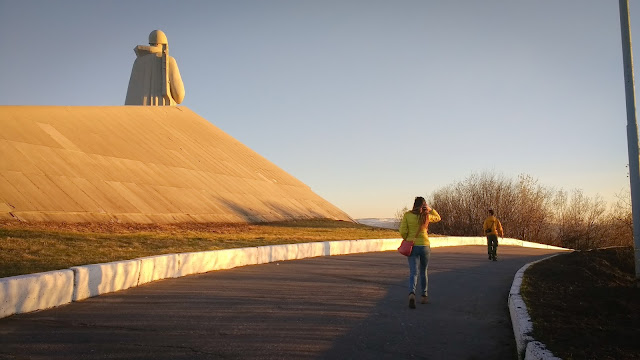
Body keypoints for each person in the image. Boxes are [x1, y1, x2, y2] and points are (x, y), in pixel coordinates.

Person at [399, 196, 441, 309]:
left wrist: (408, 238)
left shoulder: (407, 215)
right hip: (425, 246)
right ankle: (424, 296)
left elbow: (402, 231)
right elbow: (438, 218)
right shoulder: (426, 216)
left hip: (413, 247)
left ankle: (412, 293)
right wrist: (430, 209)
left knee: (413, 271)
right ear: (423, 205)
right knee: (424, 271)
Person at [125, 30, 185, 106]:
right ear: (165, 44)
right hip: (164, 112)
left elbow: (131, 98)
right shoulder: (169, 60)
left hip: (138, 114)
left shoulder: (138, 62)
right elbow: (179, 96)